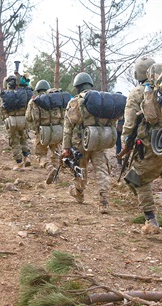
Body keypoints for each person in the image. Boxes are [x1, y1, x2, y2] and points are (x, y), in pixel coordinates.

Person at [120, 57, 162, 248]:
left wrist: (125, 145)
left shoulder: (137, 93)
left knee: (136, 180)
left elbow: (128, 124)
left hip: (150, 148)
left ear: (138, 74)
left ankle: (151, 221)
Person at [62, 72, 112, 214]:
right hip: (99, 141)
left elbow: (68, 128)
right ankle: (103, 201)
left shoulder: (74, 102)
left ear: (77, 87)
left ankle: (79, 194)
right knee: (101, 170)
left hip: (80, 143)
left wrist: (66, 147)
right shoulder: (102, 100)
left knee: (80, 169)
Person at [25, 79, 63, 183]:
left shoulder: (34, 100)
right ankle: (56, 178)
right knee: (56, 153)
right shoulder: (56, 99)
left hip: (42, 132)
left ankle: (49, 167)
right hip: (57, 131)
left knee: (39, 154)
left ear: (37, 90)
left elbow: (28, 117)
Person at [0, 74, 32, 170]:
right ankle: (27, 156)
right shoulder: (24, 94)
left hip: (11, 121)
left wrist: (5, 119)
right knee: (24, 138)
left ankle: (19, 162)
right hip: (23, 120)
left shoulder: (5, 95)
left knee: (14, 141)